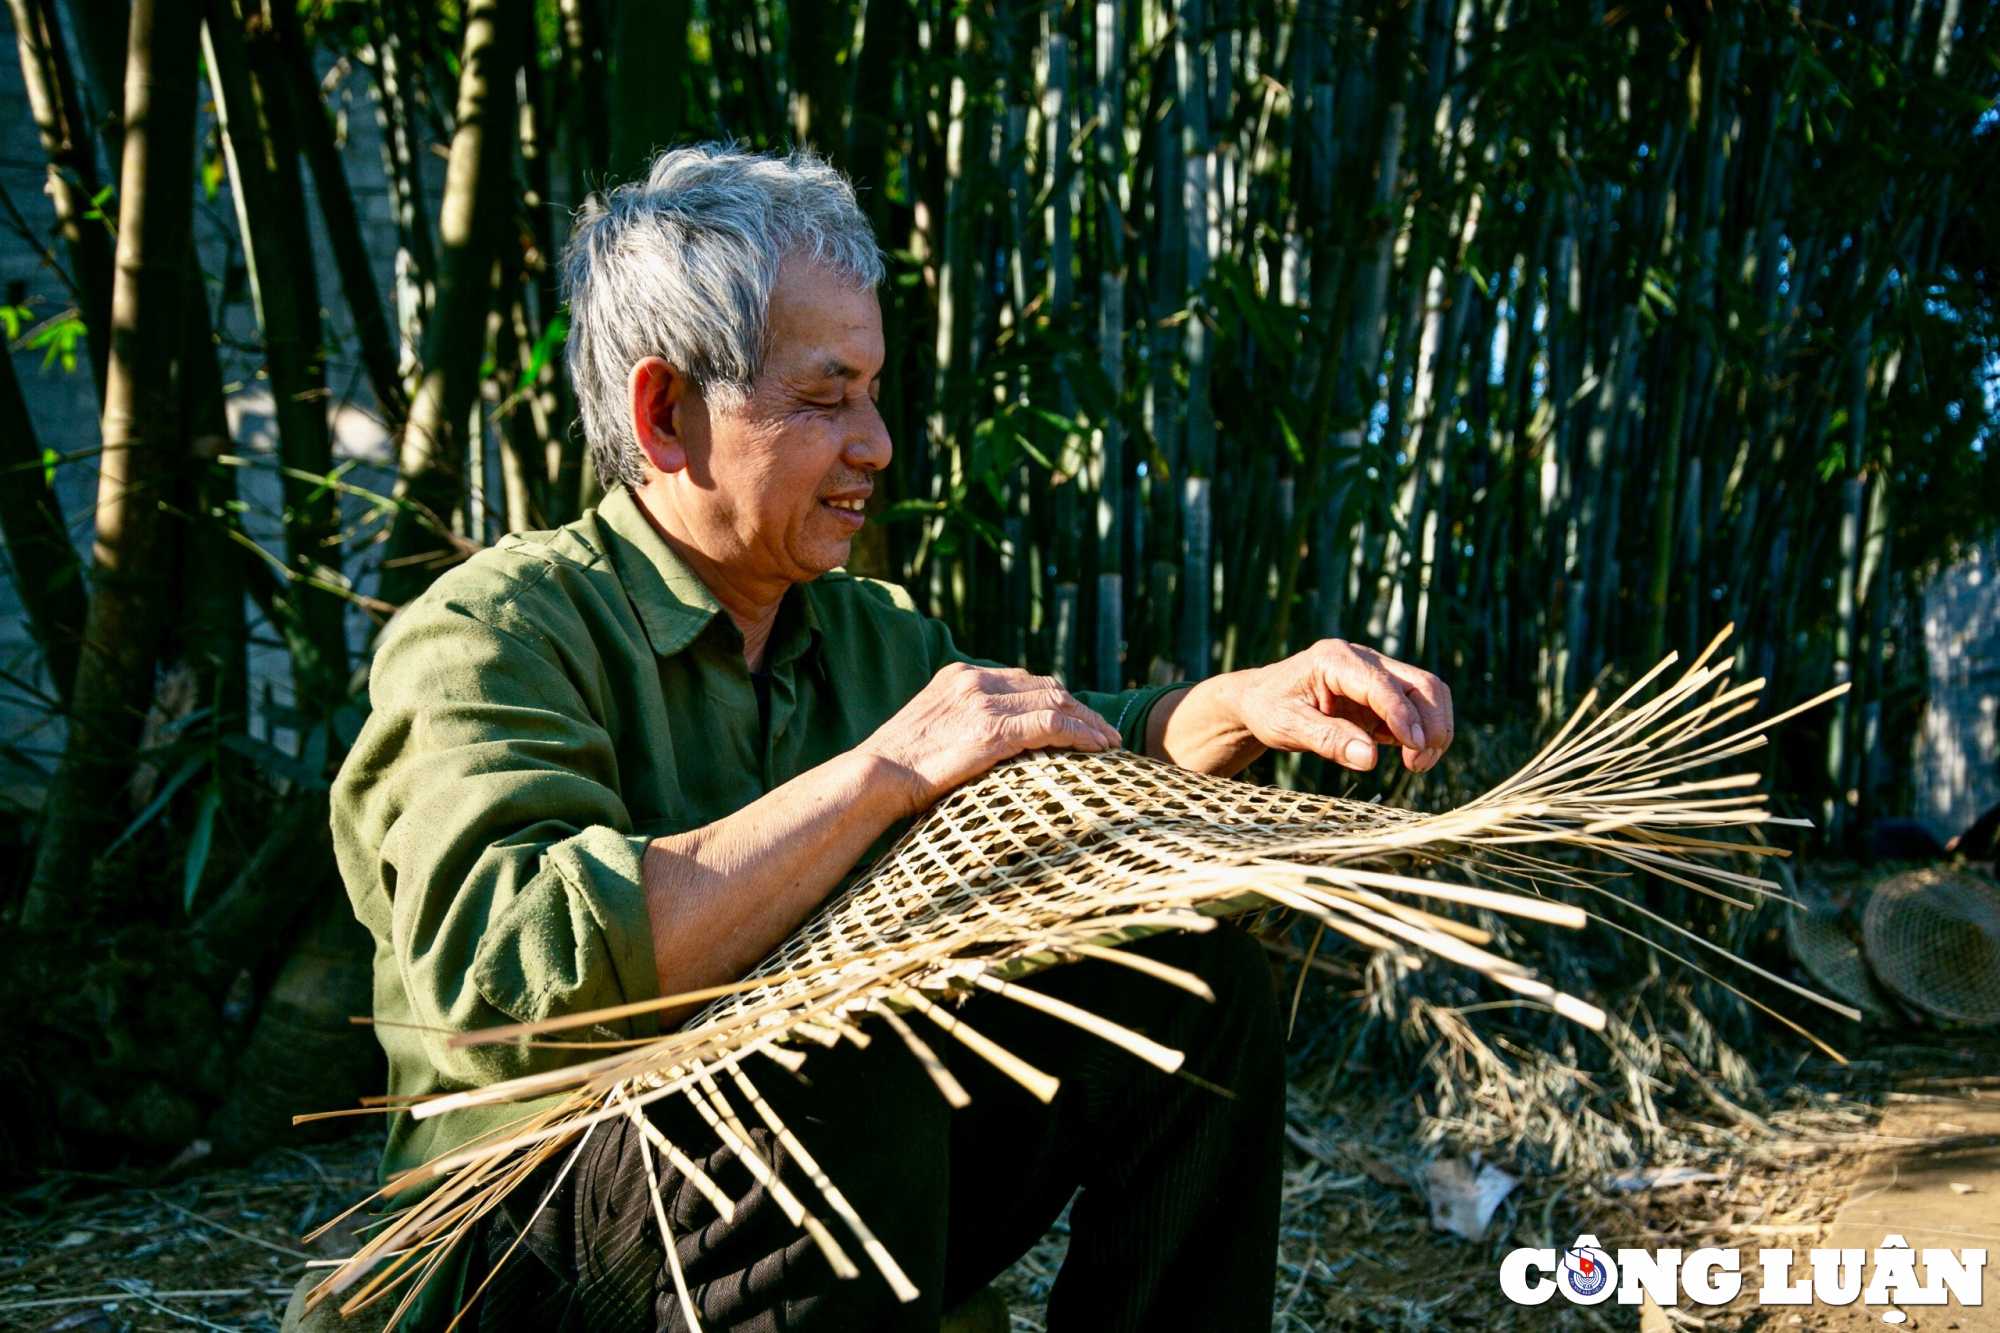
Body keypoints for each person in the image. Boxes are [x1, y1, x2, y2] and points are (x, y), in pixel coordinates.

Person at [330, 144, 1454, 1333]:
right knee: (818, 1061)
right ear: (666, 413)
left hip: (797, 1202)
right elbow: (506, 985)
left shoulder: (865, 636)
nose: (874, 442)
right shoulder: (489, 635)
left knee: (1190, 982)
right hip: (532, 1242)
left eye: (871, 391)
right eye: (823, 397)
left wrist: (1225, 709)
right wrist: (882, 774)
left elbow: (1040, 750)